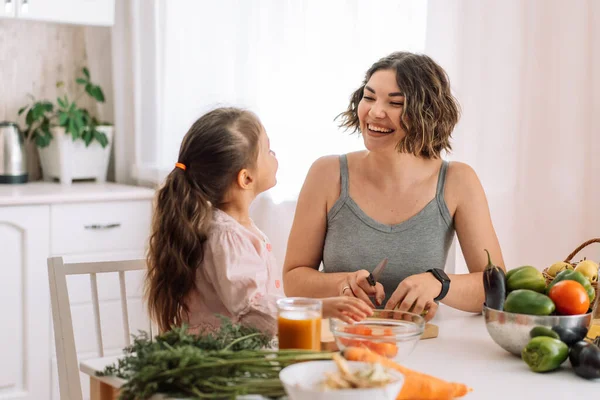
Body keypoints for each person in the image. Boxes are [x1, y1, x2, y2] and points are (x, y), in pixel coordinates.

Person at [282, 52, 505, 321]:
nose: (375, 112)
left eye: (395, 103)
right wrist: (343, 283)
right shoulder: (327, 174)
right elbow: (294, 279)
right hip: (339, 341)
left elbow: (496, 288)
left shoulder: (458, 180)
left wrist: (440, 283)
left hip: (424, 346)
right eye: (369, 97)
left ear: (427, 113)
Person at [144, 107, 373, 335]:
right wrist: (319, 309)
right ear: (246, 178)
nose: (274, 156)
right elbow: (253, 311)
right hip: (224, 361)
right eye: (268, 150)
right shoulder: (226, 237)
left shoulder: (231, 228)